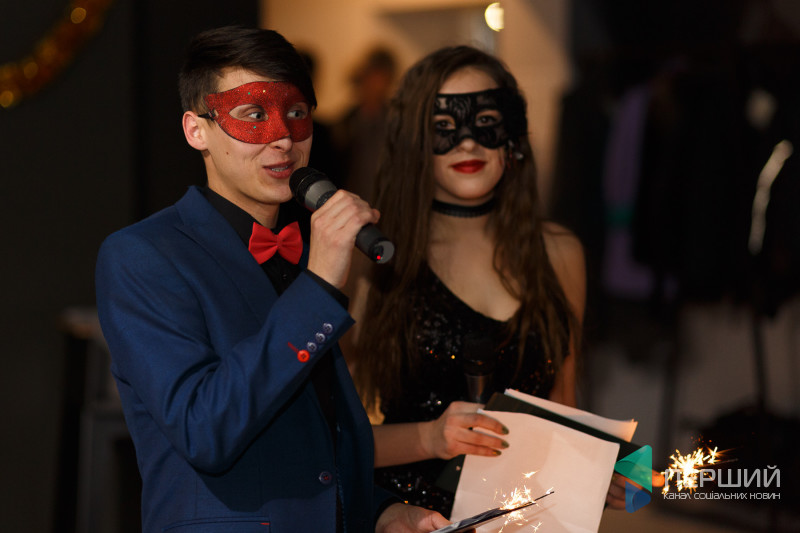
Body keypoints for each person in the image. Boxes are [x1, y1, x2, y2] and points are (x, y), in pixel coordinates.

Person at [94, 26, 449, 533]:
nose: (283, 138)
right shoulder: (143, 255)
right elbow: (205, 430)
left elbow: (314, 440)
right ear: (196, 130)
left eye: (296, 113)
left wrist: (381, 511)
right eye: (255, 115)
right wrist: (319, 285)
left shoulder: (305, 252)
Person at [343, 45, 595, 517]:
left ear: (512, 133)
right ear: (415, 141)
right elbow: (329, 440)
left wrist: (614, 471)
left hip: (526, 520)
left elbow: (564, 407)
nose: (467, 143)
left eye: (485, 123)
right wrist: (428, 437)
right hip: (412, 520)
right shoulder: (374, 257)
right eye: (443, 126)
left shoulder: (560, 253)